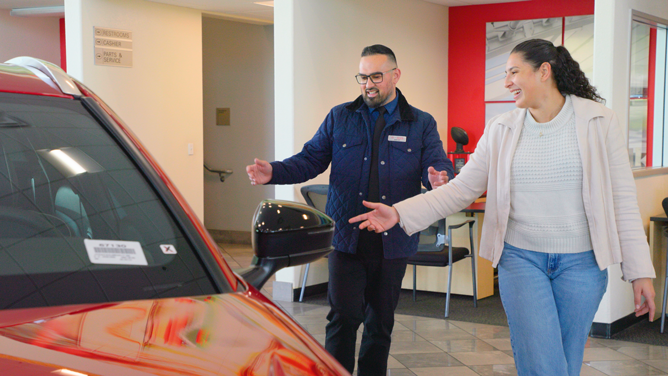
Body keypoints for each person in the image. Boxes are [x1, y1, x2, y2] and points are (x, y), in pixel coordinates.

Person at [349, 39, 656, 376]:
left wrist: (640, 271)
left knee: (564, 364)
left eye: (513, 72)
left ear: (544, 71)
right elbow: (462, 189)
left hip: (583, 265)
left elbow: (622, 198)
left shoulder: (599, 121)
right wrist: (399, 213)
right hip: (521, 260)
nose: (507, 81)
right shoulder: (502, 128)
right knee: (543, 366)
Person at [246, 44, 453, 375]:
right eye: (362, 76)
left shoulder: (421, 123)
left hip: (393, 240)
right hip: (347, 239)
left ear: (395, 76)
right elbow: (310, 158)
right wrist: (275, 171)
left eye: (376, 76)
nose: (368, 84)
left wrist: (439, 178)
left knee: (380, 322)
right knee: (342, 318)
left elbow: (437, 165)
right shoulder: (340, 117)